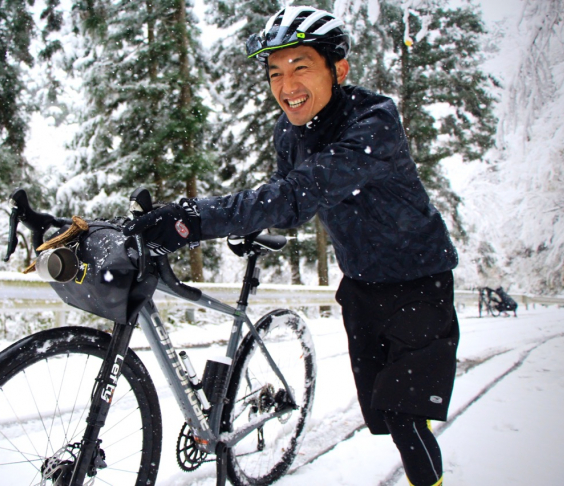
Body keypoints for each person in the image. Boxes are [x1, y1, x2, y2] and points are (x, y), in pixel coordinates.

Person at [123, 6, 459, 486]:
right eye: (275, 73)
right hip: (362, 283)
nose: (287, 86)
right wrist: (246, 223)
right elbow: (287, 196)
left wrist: (192, 218)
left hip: (419, 282)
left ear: (337, 69)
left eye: (300, 67)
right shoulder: (289, 131)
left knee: (403, 417)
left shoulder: (375, 122)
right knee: (382, 414)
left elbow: (300, 192)